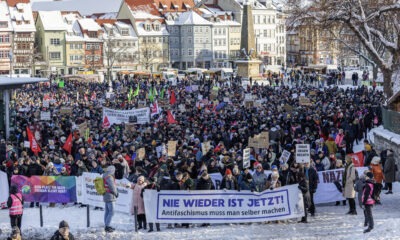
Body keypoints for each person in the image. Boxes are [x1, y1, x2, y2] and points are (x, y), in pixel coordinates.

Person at [103, 165, 118, 233]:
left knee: (107, 211)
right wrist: (116, 193)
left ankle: (106, 225)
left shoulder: (104, 175)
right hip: (110, 196)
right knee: (111, 212)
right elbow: (112, 187)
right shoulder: (109, 177)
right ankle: (107, 226)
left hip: (105, 194)